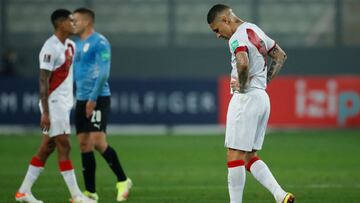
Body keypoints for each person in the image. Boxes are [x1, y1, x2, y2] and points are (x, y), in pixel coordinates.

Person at [207, 4, 295, 203]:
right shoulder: (254, 29)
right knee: (248, 156)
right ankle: (280, 195)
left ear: (225, 20)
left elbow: (243, 62)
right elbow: (280, 55)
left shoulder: (237, 37)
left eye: (216, 30)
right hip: (261, 98)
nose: (218, 35)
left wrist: (244, 83)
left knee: (234, 154)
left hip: (245, 99)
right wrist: (261, 82)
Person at [15, 9, 95, 203]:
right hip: (53, 104)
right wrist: (46, 112)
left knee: (47, 146)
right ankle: (76, 195)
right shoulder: (49, 47)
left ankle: (23, 192)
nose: (74, 24)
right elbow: (43, 80)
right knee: (64, 145)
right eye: (71, 21)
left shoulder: (70, 45)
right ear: (60, 24)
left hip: (65, 104)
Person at [72, 8, 132, 202]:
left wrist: (92, 98)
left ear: (87, 22)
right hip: (81, 98)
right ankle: (90, 192)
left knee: (97, 141)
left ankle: (123, 180)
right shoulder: (76, 44)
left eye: (77, 20)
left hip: (97, 97)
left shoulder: (100, 42)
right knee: (83, 144)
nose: (73, 24)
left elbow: (104, 72)